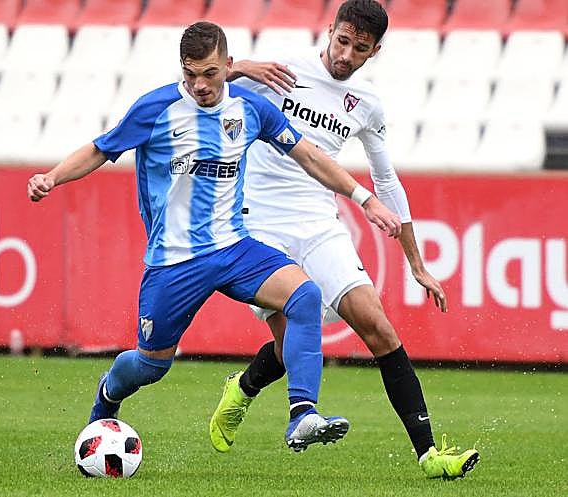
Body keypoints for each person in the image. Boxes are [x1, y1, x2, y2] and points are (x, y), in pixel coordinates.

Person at [27, 21, 402, 452]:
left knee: (304, 297)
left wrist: (363, 198)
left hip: (233, 247)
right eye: (190, 74)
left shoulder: (250, 108)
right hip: (174, 261)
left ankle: (302, 414)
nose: (200, 85)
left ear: (228, 66)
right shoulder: (156, 108)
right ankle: (108, 393)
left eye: (209, 73)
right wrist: (52, 177)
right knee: (151, 366)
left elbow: (310, 157)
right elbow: (99, 149)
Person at [208, 0, 480, 478]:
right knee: (293, 341)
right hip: (258, 221)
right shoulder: (280, 69)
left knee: (379, 327)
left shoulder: (367, 103)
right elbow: (201, 85)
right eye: (342, 41)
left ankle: (429, 455)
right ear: (329, 29)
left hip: (319, 221)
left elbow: (387, 181)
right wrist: (241, 67)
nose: (346, 55)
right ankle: (248, 390)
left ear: (375, 51)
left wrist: (416, 264)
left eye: (360, 48)